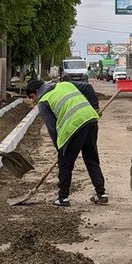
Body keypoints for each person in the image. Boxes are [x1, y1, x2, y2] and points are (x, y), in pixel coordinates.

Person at [25, 78, 108, 207]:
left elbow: (52, 129)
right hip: (90, 120)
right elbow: (88, 87)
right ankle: (101, 194)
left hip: (74, 127)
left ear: (37, 91)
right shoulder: (65, 84)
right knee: (91, 159)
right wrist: (95, 108)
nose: (33, 100)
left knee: (65, 164)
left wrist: (59, 149)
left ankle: (63, 198)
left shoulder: (43, 102)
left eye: (32, 97)